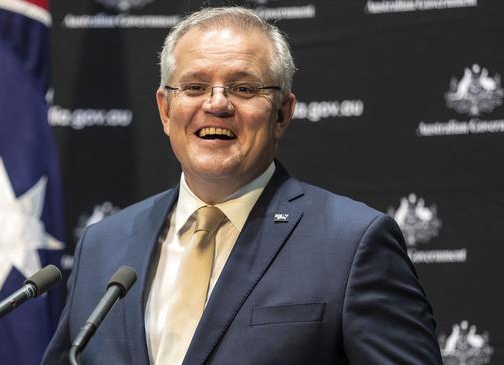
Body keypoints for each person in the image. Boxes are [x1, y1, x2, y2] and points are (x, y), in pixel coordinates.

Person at [42, 7, 442, 365]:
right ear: (165, 110)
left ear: (283, 113)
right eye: (195, 87)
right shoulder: (103, 245)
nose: (217, 104)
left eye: (244, 88)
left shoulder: (351, 243)